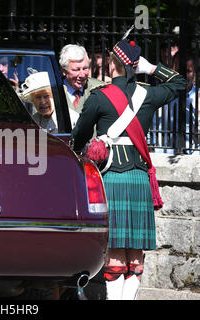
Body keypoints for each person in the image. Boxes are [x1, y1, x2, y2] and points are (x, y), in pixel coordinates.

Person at [71, 36, 186, 300]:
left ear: (112, 67)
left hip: (111, 177)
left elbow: (79, 136)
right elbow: (181, 83)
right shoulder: (149, 94)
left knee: (114, 254)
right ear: (136, 66)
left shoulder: (99, 97)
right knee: (135, 257)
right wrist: (153, 68)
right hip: (139, 179)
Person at [59, 44, 106, 128]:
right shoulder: (52, 92)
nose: (82, 74)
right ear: (63, 70)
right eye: (76, 70)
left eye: (85, 68)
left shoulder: (101, 89)